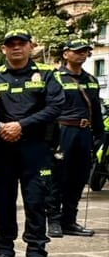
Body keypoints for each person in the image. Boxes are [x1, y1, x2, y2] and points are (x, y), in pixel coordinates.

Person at [0, 29, 65, 257]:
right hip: (1, 148)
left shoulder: (47, 73)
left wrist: (22, 125)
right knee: (3, 202)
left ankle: (36, 253)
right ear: (4, 49)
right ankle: (4, 251)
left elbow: (55, 106)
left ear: (31, 46)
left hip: (35, 147)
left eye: (22, 43)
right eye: (11, 44)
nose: (16, 48)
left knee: (35, 202)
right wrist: (0, 126)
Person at [48, 39, 103, 237]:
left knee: (79, 178)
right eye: (77, 51)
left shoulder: (91, 80)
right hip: (63, 131)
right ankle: (53, 220)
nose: (82, 54)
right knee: (58, 177)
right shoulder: (55, 78)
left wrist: (99, 135)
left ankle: (69, 220)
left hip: (84, 133)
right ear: (65, 54)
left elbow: (95, 110)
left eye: (85, 51)